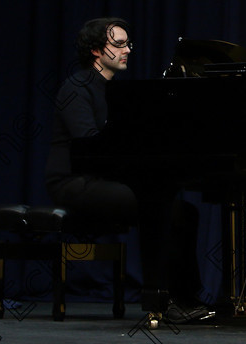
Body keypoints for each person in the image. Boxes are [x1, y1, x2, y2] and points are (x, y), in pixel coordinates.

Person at [44, 17, 209, 323]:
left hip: (104, 176)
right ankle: (161, 299)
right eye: (119, 44)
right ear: (96, 51)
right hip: (74, 181)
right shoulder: (76, 88)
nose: (127, 50)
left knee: (185, 212)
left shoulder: (117, 91)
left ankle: (186, 296)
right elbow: (88, 146)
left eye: (128, 44)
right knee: (159, 209)